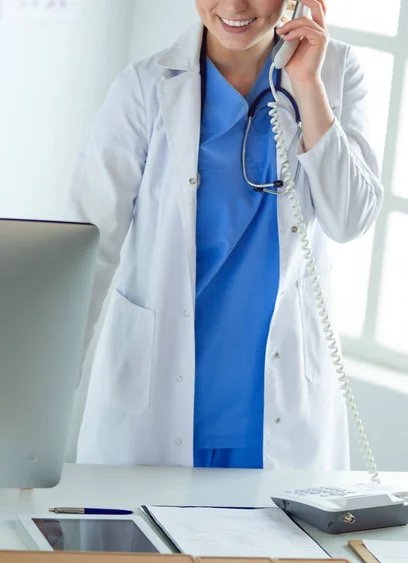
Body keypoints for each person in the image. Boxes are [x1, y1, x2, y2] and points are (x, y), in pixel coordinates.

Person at [67, 0, 383, 470]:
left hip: (274, 414)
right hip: (155, 405)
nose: (235, 6)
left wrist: (307, 85)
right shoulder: (145, 87)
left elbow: (351, 218)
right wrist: (39, 401)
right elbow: (87, 249)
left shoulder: (333, 73)